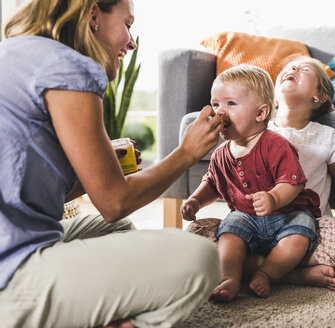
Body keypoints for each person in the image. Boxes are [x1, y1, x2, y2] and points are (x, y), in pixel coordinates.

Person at [0, 1, 222, 327]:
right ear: (92, 15)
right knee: (200, 257)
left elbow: (26, 187)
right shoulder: (68, 67)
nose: (131, 42)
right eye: (128, 24)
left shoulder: (15, 52)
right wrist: (186, 153)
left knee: (114, 232)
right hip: (9, 273)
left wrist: (104, 165)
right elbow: (114, 202)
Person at [186, 56, 335, 292]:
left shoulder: (326, 137)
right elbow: (214, 181)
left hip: (301, 233)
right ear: (270, 100)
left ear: (318, 96)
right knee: (195, 236)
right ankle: (292, 275)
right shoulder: (246, 130)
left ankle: (254, 268)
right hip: (248, 231)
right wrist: (195, 201)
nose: (293, 68)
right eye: (288, 67)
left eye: (304, 68)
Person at [181, 64, 323, 302]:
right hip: (245, 218)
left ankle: (267, 274)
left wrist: (273, 198)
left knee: (301, 231)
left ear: (260, 113)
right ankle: (229, 279)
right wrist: (195, 200)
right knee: (229, 233)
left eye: (230, 104)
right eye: (216, 104)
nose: (220, 112)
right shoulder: (220, 153)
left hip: (286, 215)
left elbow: (294, 182)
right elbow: (213, 184)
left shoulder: (275, 145)